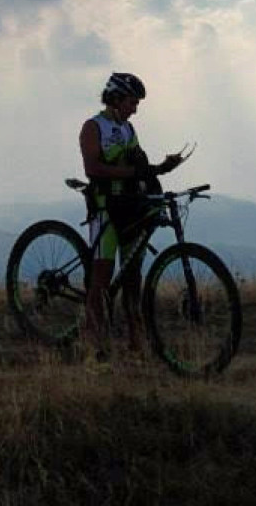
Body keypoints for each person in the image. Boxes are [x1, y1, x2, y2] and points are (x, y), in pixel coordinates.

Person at [79, 72, 187, 357]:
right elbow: (93, 169)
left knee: (132, 279)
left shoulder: (128, 130)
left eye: (137, 103)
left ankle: (136, 344)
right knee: (101, 280)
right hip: (105, 208)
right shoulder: (93, 127)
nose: (135, 108)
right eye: (132, 101)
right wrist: (132, 172)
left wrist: (161, 168)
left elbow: (140, 166)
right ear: (115, 98)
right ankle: (94, 347)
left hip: (130, 207)